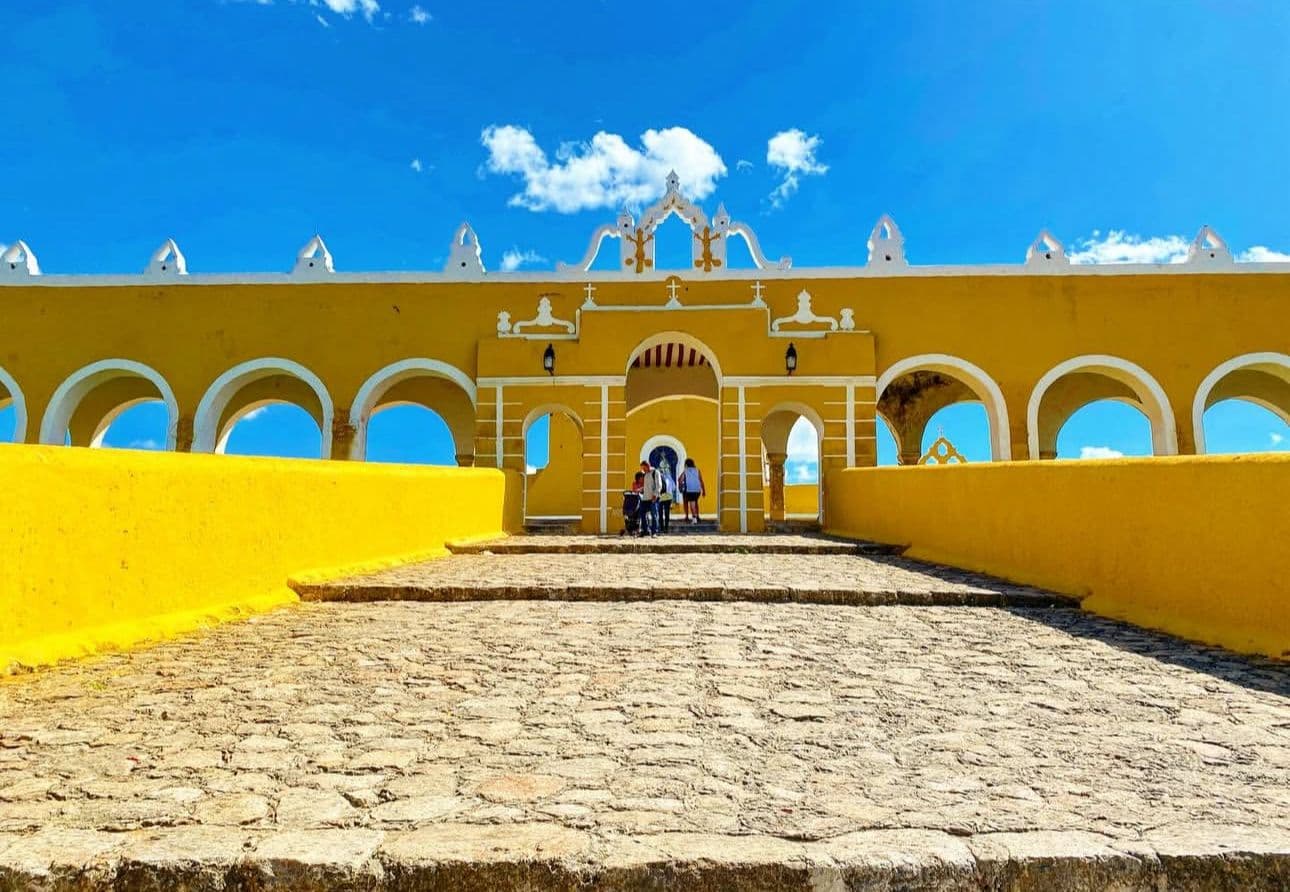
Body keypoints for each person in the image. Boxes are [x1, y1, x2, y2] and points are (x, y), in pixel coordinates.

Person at [637, 460, 662, 537]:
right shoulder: (645, 474)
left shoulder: (655, 472)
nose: (643, 470)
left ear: (648, 466)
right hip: (645, 498)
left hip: (653, 498)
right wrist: (640, 490)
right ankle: (645, 530)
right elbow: (647, 486)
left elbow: (659, 485)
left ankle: (654, 532)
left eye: (644, 468)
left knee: (654, 515)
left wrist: (655, 495)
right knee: (642, 514)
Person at [680, 457, 705, 524]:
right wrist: (704, 490)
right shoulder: (697, 470)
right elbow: (701, 480)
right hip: (697, 490)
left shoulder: (685, 471)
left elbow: (680, 479)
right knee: (695, 502)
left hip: (689, 489)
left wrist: (680, 486)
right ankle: (697, 516)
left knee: (690, 503)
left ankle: (691, 517)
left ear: (686, 464)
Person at [657, 465, 674, 533]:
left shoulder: (657, 477)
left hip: (660, 496)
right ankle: (666, 528)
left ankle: (661, 527)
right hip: (668, 496)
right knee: (667, 513)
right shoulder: (669, 477)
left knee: (660, 513)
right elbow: (674, 487)